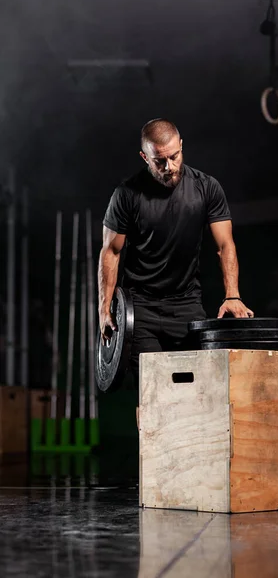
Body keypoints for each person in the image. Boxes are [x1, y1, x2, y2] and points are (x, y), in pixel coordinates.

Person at [98, 118, 253, 387]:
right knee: (151, 392)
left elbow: (224, 245)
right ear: (144, 157)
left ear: (181, 146)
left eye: (174, 156)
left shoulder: (206, 188)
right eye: (159, 161)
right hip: (141, 308)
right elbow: (111, 251)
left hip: (186, 305)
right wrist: (104, 308)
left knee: (191, 391)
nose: (169, 167)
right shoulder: (127, 194)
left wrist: (233, 295)